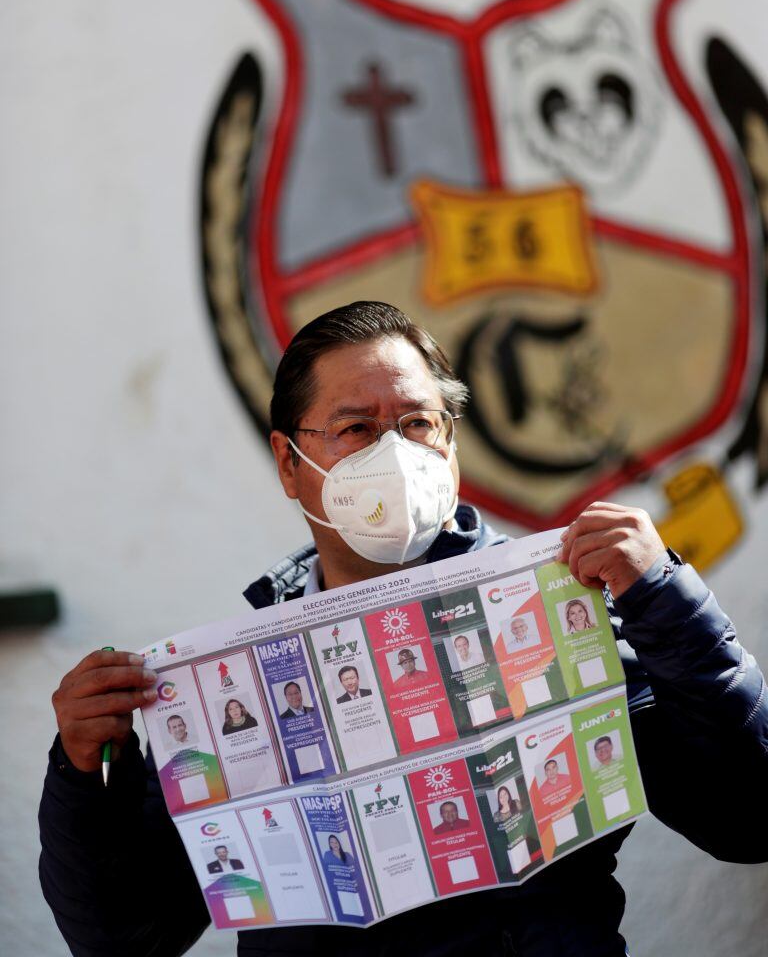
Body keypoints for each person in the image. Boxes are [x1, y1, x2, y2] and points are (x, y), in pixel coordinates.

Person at [40, 300, 768, 956]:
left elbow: (746, 816)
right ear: (289, 464)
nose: (394, 455)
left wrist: (667, 600)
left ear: (449, 445)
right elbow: (125, 938)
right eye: (355, 428)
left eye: (418, 423)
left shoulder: (557, 612)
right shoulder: (236, 688)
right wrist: (85, 772)